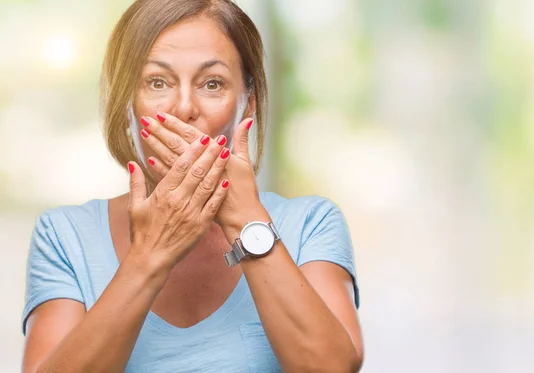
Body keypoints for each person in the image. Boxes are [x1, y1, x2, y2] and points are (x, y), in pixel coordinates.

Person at [21, 0, 363, 372]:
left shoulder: (311, 223)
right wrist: (150, 255)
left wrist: (244, 221)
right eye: (157, 82)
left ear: (247, 103)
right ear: (126, 103)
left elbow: (332, 367)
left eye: (212, 84)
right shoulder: (64, 235)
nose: (184, 107)